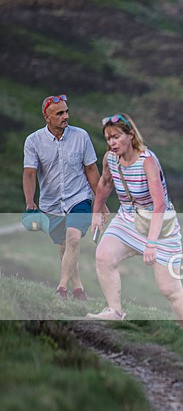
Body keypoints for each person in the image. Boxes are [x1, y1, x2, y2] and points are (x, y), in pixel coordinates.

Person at [87, 113, 183, 333]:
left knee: (169, 290)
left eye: (116, 137)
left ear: (131, 135)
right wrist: (97, 212)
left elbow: (160, 205)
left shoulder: (148, 161)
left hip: (161, 227)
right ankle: (114, 312)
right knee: (103, 255)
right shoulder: (110, 158)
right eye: (108, 138)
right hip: (127, 219)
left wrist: (151, 244)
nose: (112, 143)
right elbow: (105, 184)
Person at [23, 94, 108, 299]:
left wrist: (100, 201)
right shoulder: (33, 141)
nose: (66, 116)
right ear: (47, 117)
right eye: (59, 113)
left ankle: (61, 288)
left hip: (80, 197)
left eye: (66, 111)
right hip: (51, 203)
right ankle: (78, 288)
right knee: (64, 246)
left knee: (74, 237)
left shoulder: (81, 136)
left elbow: (90, 169)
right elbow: (30, 173)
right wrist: (29, 202)